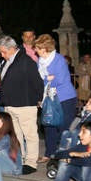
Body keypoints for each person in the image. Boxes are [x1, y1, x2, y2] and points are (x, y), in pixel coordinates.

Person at [0, 35, 44, 175]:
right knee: (16, 135)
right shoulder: (7, 61)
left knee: (29, 134)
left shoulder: (26, 61)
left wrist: (39, 99)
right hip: (10, 104)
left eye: (4, 51)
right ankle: (20, 159)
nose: (2, 54)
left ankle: (31, 162)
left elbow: (37, 82)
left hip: (25, 104)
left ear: (12, 48)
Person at [34, 34, 78, 163]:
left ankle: (63, 154)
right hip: (49, 98)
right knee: (49, 125)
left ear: (45, 48)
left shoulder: (58, 59)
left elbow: (61, 79)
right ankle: (49, 153)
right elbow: (40, 80)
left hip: (65, 98)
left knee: (64, 126)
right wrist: (48, 78)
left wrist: (47, 79)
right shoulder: (39, 62)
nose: (36, 51)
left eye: (38, 48)